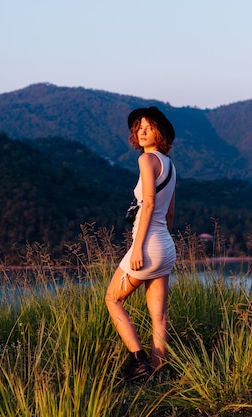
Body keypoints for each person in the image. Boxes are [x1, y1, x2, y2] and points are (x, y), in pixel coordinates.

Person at [105, 106, 177, 382]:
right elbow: (169, 213)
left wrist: (138, 249)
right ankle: (159, 374)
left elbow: (147, 204)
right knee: (158, 316)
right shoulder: (170, 165)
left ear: (160, 132)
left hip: (146, 247)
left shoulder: (146, 161)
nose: (141, 131)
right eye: (138, 127)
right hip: (165, 246)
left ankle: (139, 362)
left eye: (148, 126)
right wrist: (162, 243)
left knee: (113, 299)